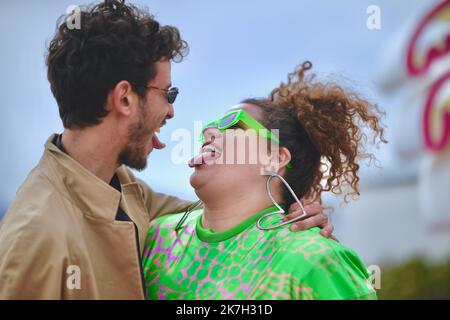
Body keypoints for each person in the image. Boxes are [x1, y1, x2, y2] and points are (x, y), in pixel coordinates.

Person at [0, 1, 331, 299]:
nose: (171, 112)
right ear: (125, 99)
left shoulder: (126, 191)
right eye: (168, 95)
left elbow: (222, 214)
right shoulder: (35, 236)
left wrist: (294, 204)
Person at [142, 61, 386, 300]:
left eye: (233, 125)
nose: (209, 132)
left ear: (275, 157)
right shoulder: (155, 236)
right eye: (211, 126)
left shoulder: (314, 260)